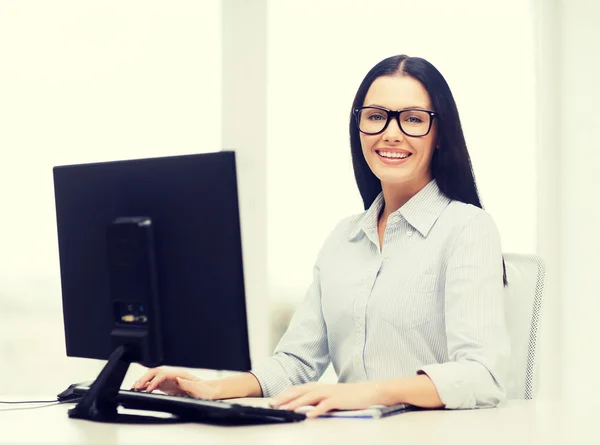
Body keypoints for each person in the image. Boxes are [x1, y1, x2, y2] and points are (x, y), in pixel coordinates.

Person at [132, 54, 510, 419]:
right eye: (376, 117)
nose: (391, 133)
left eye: (412, 119)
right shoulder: (344, 238)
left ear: (439, 134)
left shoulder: (467, 228)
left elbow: (482, 375)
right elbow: (297, 362)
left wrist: (366, 392)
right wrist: (212, 389)